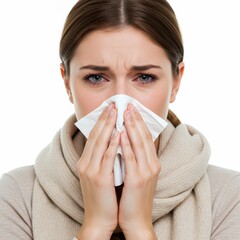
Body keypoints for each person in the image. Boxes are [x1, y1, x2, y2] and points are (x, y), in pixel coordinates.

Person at [0, 0, 240, 239]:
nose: (120, 102)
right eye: (96, 78)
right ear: (67, 83)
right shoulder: (17, 196)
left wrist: (139, 228)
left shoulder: (228, 197)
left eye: (144, 77)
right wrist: (96, 227)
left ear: (176, 83)